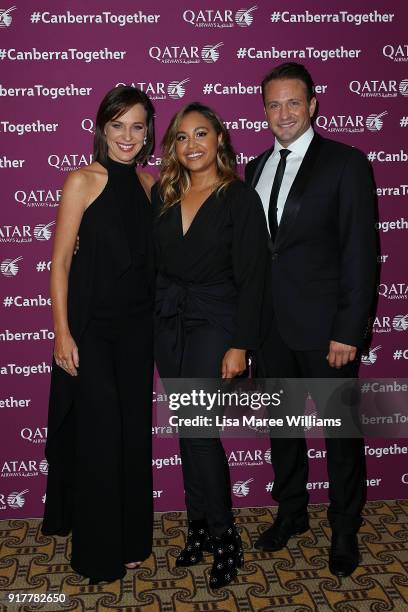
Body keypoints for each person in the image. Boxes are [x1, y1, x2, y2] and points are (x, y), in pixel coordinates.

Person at [245, 63, 377, 577]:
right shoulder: (254, 167)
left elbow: (360, 254)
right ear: (264, 110)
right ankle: (292, 512)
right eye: (274, 105)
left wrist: (349, 329)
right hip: (269, 327)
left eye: (293, 103)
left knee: (339, 435)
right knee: (282, 429)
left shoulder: (346, 163)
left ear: (313, 105)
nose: (283, 113)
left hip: (327, 333)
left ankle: (345, 528)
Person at [42, 86, 156, 584]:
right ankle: (97, 550)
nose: (127, 136)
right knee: (99, 440)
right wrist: (62, 332)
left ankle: (132, 540)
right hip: (91, 331)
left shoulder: (153, 185)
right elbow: (60, 263)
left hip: (138, 331)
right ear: (101, 129)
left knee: (133, 437)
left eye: (137, 125)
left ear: (148, 130)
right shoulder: (82, 181)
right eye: (118, 125)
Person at [152, 102, 269, 588]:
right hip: (169, 323)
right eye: (182, 137)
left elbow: (254, 276)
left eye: (201, 134)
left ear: (219, 139)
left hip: (216, 322)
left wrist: (241, 343)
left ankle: (225, 538)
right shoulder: (163, 193)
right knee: (186, 432)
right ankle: (198, 527)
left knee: (200, 432)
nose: (192, 145)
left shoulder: (237, 198)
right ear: (173, 146)